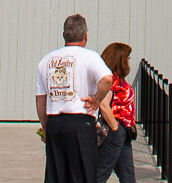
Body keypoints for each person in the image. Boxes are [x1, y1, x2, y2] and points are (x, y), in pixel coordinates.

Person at [35, 14, 114, 183]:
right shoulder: (89, 57)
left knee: (56, 175)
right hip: (81, 122)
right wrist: (96, 99)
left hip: (55, 122)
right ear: (85, 35)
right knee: (83, 175)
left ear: (65, 35)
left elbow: (41, 99)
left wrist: (45, 126)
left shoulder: (47, 60)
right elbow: (107, 79)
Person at [95, 42, 137, 183]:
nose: (128, 62)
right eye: (127, 58)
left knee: (128, 176)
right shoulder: (111, 80)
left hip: (123, 133)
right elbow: (104, 105)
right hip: (114, 132)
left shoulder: (118, 80)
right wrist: (115, 128)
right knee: (102, 173)